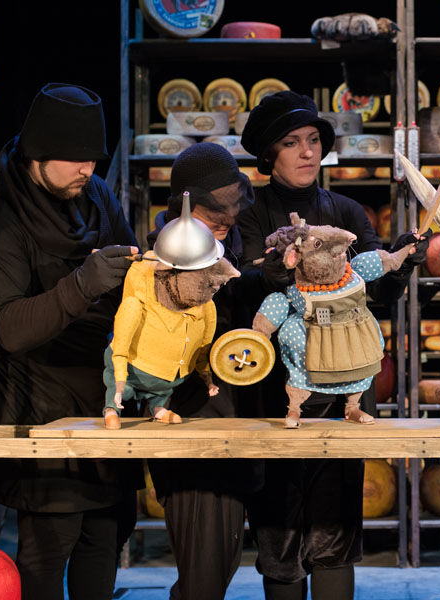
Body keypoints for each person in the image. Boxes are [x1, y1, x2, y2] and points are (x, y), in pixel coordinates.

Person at [236, 90, 428, 600]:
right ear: (268, 154)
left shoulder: (345, 210)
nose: (307, 152)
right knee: (279, 527)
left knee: (335, 525)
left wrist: (400, 262)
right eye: (291, 142)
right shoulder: (251, 216)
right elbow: (241, 292)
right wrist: (271, 273)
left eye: (313, 140)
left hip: (345, 389)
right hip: (277, 394)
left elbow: (376, 291)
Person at [0, 83, 142, 598]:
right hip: (40, 399)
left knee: (105, 534)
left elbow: (129, 275)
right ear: (39, 152)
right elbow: (6, 328)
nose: (88, 169)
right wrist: (81, 286)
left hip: (102, 393)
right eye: (75, 158)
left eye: (94, 158)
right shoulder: (3, 215)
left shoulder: (93, 194)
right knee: (50, 546)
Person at [145, 142, 262, 600]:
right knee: (204, 571)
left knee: (218, 563)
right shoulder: (163, 261)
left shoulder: (230, 246)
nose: (226, 220)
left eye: (230, 210)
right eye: (215, 212)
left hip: (234, 421)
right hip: (191, 426)